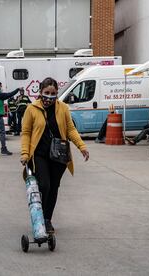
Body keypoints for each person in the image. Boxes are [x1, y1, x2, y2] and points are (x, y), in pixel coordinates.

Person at [20, 77, 89, 233]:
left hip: (59, 155)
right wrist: (25, 154)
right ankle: (40, 218)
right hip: (39, 154)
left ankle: (46, 220)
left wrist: (81, 146)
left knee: (53, 188)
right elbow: (26, 133)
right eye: (46, 92)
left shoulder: (63, 108)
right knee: (44, 185)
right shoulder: (31, 109)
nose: (49, 96)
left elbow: (70, 129)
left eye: (53, 93)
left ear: (57, 93)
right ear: (40, 92)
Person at [0, 82, 22, 155]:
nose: (2, 88)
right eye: (1, 86)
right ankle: (4, 149)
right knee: (2, 133)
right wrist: (17, 89)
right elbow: (10, 94)